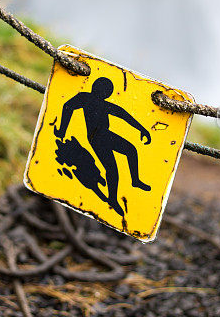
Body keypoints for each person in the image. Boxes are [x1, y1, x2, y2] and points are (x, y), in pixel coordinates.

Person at [54, 77, 151, 216]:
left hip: (106, 135)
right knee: (113, 168)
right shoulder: (85, 98)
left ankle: (134, 180)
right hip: (97, 138)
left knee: (130, 150)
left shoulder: (104, 104)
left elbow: (124, 115)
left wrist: (142, 129)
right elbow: (68, 106)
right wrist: (62, 130)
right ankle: (113, 198)